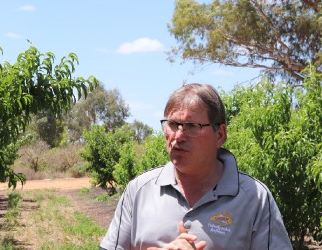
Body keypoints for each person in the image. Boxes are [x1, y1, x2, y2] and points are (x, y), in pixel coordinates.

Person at [99, 83, 292, 249]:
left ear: (220, 135)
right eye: (173, 124)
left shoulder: (255, 198)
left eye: (191, 126)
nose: (178, 136)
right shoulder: (139, 190)